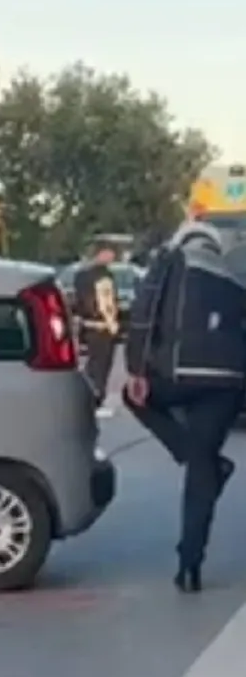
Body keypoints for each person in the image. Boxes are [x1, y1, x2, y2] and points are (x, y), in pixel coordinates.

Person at [123, 220, 245, 593]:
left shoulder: (170, 260)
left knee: (133, 396)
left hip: (179, 374)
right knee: (202, 471)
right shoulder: (234, 274)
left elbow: (144, 313)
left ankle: (192, 452)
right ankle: (189, 563)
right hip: (228, 382)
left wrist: (136, 368)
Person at [74, 241, 121, 419]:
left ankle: (87, 395)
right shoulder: (104, 276)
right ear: (102, 254)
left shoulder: (81, 275)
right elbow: (105, 303)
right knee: (102, 364)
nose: (112, 258)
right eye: (110, 254)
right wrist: (112, 324)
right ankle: (97, 396)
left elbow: (78, 302)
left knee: (91, 363)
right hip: (102, 326)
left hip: (87, 325)